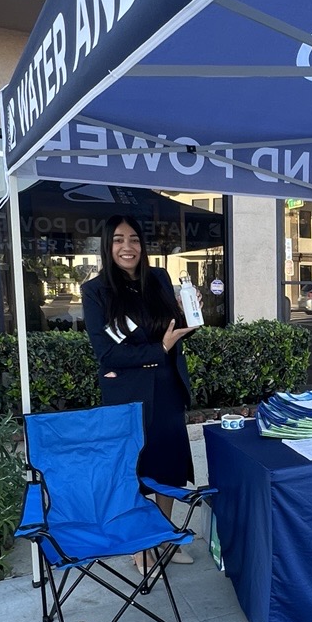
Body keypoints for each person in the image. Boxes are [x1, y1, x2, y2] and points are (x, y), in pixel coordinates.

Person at [82, 215, 198, 571]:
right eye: (118, 240)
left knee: (169, 466)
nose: (127, 247)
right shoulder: (96, 290)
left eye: (133, 239)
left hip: (166, 387)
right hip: (127, 395)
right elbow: (108, 354)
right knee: (134, 469)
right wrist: (157, 351)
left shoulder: (159, 278)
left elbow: (173, 334)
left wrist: (190, 318)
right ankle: (139, 543)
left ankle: (163, 535)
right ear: (108, 246)